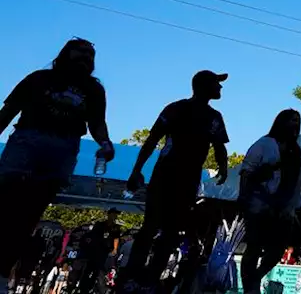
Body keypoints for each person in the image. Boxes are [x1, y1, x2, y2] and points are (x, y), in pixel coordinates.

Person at [0, 39, 113, 294]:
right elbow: (9, 109)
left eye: (90, 54)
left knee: (29, 215)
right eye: (80, 52)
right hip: (28, 140)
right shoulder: (39, 78)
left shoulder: (94, 90)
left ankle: (2, 273)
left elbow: (97, 122)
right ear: (64, 54)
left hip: (63, 148)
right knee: (6, 203)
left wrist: (105, 143)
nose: (86, 57)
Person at [123, 70, 230, 288]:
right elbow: (152, 139)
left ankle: (149, 277)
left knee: (170, 230)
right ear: (203, 86)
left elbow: (219, 146)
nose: (220, 88)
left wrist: (224, 167)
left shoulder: (213, 116)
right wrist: (136, 170)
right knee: (153, 226)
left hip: (185, 177)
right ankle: (133, 275)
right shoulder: (178, 109)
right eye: (216, 84)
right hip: (167, 173)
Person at [240, 109, 301, 294]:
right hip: (260, 205)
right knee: (254, 247)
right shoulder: (264, 144)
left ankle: (256, 277)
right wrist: (244, 199)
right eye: (291, 121)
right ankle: (251, 286)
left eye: (298, 121)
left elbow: (295, 175)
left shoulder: (297, 151)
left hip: (285, 208)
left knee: (276, 250)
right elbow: (246, 172)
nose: (295, 125)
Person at [72, 209, 120, 294]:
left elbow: (116, 238)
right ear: (109, 214)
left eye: (116, 215)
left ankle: (93, 287)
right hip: (94, 250)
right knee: (89, 269)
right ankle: (83, 287)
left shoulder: (116, 227)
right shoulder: (100, 224)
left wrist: (115, 248)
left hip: (105, 252)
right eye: (114, 214)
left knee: (99, 271)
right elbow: (93, 235)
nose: (115, 216)